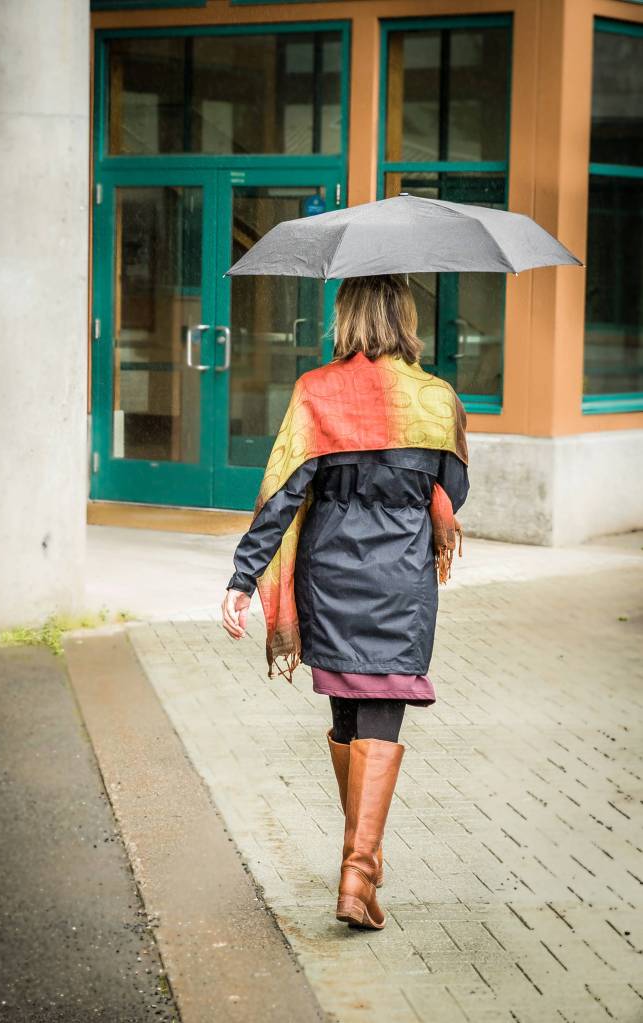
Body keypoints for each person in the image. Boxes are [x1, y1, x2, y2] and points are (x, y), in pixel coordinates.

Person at [221, 273, 469, 931]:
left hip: (327, 574)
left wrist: (243, 578)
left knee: (346, 713)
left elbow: (281, 495)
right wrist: (429, 503)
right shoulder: (437, 398)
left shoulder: (314, 393)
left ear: (346, 317)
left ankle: (362, 859)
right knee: (381, 709)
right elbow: (452, 486)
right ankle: (358, 871)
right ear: (405, 316)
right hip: (401, 582)